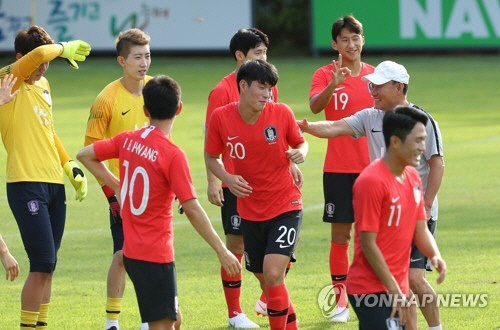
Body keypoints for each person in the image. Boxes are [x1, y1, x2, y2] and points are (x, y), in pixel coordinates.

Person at [77, 74, 241, 330]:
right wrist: (222, 251)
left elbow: (85, 154)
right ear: (179, 109)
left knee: (174, 319)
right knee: (163, 324)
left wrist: (118, 185)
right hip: (155, 254)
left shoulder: (128, 139)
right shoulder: (172, 154)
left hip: (133, 251)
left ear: (145, 110)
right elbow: (192, 208)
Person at [298, 61, 445, 330]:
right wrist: (304, 127)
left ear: (399, 87)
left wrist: (424, 204)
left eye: (378, 86)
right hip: (387, 213)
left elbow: (437, 163)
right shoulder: (369, 116)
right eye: (371, 85)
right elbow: (333, 127)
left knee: (413, 279)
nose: (372, 91)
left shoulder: (421, 121)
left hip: (415, 211)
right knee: (398, 282)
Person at [205, 28, 302, 327]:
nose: (267, 92)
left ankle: (273, 311)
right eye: (257, 53)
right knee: (241, 253)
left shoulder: (269, 95)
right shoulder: (222, 95)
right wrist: (217, 180)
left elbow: (280, 132)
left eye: (265, 53)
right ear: (240, 57)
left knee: (273, 274)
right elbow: (211, 144)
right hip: (239, 190)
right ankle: (236, 312)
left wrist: (293, 158)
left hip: (280, 196)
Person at [0, 25, 89, 330]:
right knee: (41, 263)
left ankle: (41, 325)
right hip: (25, 183)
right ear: (20, 57)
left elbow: (49, 131)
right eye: (37, 64)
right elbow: (39, 53)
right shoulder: (8, 78)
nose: (42, 68)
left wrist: (69, 166)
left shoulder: (45, 85)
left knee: (49, 266)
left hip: (53, 184)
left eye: (46, 64)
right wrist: (64, 47)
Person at [84, 28, 164, 330]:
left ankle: (150, 319)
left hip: (153, 192)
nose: (144, 63)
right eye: (138, 57)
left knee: (154, 257)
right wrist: (112, 192)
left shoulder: (157, 90)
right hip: (122, 193)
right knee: (122, 255)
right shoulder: (106, 99)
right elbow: (90, 151)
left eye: (148, 56)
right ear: (121, 60)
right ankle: (111, 322)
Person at [346, 106, 446, 329]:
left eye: (424, 140)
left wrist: (435, 255)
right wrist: (394, 291)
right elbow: (368, 243)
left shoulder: (412, 177)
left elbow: (420, 229)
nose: (422, 147)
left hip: (396, 287)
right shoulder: (370, 182)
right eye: (418, 141)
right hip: (369, 289)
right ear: (395, 142)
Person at [308, 15, 374, 323]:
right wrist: (333, 85)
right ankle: (340, 302)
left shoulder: (377, 77)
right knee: (340, 236)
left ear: (363, 40)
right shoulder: (324, 74)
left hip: (373, 171)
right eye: (344, 39)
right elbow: (314, 108)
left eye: (355, 38)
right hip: (338, 168)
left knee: (371, 236)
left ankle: (371, 295)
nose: (351, 44)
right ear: (335, 44)